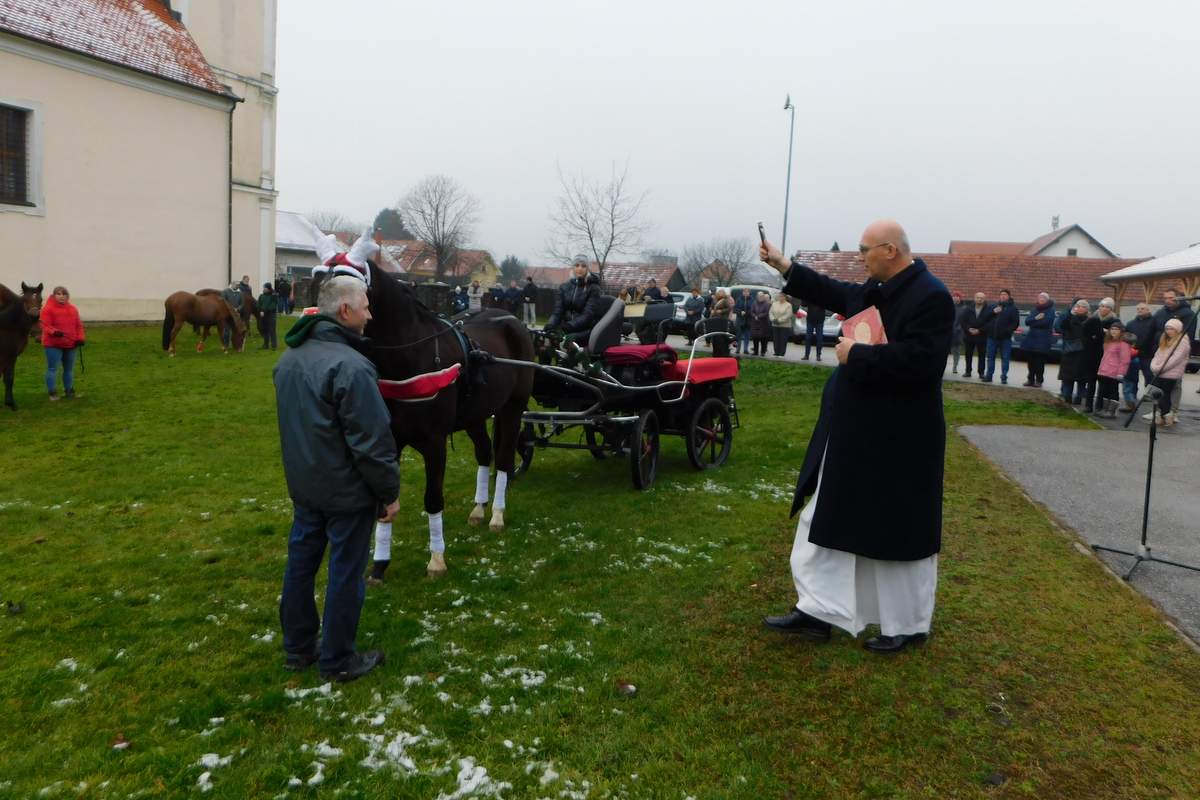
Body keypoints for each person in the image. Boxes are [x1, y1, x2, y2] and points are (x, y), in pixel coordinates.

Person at [759, 219, 953, 653]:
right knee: (824, 518)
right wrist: (784, 266)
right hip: (853, 431)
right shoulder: (877, 288)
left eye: (864, 249)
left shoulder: (931, 296)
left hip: (900, 439)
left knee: (897, 534)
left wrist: (858, 354)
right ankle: (817, 610)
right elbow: (831, 291)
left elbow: (922, 363)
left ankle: (908, 624)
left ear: (889, 250)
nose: (859, 256)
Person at [273, 275, 399, 683]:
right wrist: (388, 494)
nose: (370, 313)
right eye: (365, 305)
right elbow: (372, 442)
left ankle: (298, 648)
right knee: (346, 572)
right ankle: (338, 659)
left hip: (306, 486)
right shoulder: (352, 366)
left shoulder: (289, 359)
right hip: (347, 494)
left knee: (301, 564)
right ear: (344, 311)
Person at [39, 286, 85, 401]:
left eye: (64, 294)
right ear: (54, 296)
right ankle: (52, 393)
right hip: (53, 344)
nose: (62, 296)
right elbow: (44, 325)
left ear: (67, 296)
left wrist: (80, 338)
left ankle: (69, 391)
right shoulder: (47, 309)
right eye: (58, 294)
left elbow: (78, 326)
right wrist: (54, 332)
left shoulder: (73, 309)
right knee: (53, 368)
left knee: (69, 369)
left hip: (70, 343)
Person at [545, 255, 604, 343]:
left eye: (583, 266)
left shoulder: (594, 289)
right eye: (577, 265)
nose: (580, 268)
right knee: (546, 342)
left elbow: (588, 315)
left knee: (568, 344)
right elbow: (558, 311)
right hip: (566, 327)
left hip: (585, 330)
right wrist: (550, 324)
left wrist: (569, 326)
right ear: (573, 268)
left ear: (587, 269)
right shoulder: (564, 287)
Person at [1147, 318, 1189, 426]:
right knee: (1159, 395)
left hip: (1171, 374)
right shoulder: (1165, 340)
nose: (1168, 331)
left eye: (1171, 329)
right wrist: (1154, 366)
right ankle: (1162, 415)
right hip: (1160, 372)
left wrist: (1159, 368)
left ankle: (1166, 416)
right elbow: (1157, 355)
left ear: (1178, 330)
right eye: (1167, 328)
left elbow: (1175, 359)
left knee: (1165, 396)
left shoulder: (1182, 342)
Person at [1080, 298, 1118, 413]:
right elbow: (1084, 333)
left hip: (1105, 356)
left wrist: (1105, 334)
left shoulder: (1115, 321)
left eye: (1107, 307)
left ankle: (1099, 406)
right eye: (1102, 306)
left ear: (1111, 309)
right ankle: (1088, 405)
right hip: (1091, 355)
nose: (1104, 308)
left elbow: (1116, 337)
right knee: (1091, 381)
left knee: (1103, 383)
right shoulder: (1092, 319)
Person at [1122, 302, 1157, 411]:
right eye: (1138, 309)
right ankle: (1132, 399)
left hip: (1148, 354)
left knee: (1149, 376)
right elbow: (1125, 337)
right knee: (1132, 378)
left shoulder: (1154, 323)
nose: (1140, 310)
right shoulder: (1131, 324)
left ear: (1148, 310)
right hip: (1133, 354)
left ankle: (1149, 396)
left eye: (1143, 309)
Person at [1094, 319, 1132, 418]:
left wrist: (1121, 373)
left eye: (1116, 329)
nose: (1114, 331)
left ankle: (1111, 411)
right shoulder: (1108, 342)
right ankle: (1105, 409)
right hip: (1104, 371)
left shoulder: (1123, 344)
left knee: (1113, 391)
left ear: (1121, 331)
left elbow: (1125, 360)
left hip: (1114, 372)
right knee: (1104, 391)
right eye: (1112, 329)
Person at [1055, 298, 1090, 404]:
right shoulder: (1069, 318)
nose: (1079, 308)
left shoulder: (1090, 320)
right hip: (1069, 352)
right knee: (1067, 378)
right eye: (1078, 306)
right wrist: (1070, 315)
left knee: (1082, 379)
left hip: (1084, 354)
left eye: (1082, 306)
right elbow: (1060, 327)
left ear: (1087, 309)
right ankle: (1067, 397)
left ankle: (1079, 397)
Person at [982, 289, 1018, 384]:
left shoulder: (1013, 308)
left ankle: (1004, 377)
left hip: (1005, 338)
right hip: (992, 337)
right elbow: (985, 318)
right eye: (1001, 294)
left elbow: (1015, 323)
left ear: (1009, 296)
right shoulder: (993, 306)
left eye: (1005, 295)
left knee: (1005, 358)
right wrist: (993, 312)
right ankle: (989, 376)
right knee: (990, 357)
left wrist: (1007, 331)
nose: (1002, 296)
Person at [1021, 292, 1055, 387]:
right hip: (1031, 339)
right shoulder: (1035, 309)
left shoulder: (1050, 310)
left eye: (1043, 298)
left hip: (1043, 339)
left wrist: (1034, 322)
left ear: (1047, 299)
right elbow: (1027, 321)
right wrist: (1036, 318)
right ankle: (1030, 379)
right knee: (1030, 362)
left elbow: (1045, 323)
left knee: (1039, 362)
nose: (1041, 299)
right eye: (1040, 297)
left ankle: (1039, 380)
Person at [959, 292, 988, 378]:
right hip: (969, 336)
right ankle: (968, 371)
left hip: (982, 336)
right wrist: (968, 329)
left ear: (984, 299)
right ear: (974, 298)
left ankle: (981, 373)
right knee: (968, 354)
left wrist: (980, 330)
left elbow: (990, 322)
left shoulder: (988, 309)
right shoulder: (968, 308)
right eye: (978, 297)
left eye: (981, 298)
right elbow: (963, 321)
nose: (979, 299)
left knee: (982, 355)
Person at [769, 292, 793, 357]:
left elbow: (788, 315)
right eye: (780, 296)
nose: (780, 298)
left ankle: (782, 353)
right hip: (775, 324)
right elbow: (770, 312)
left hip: (785, 325)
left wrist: (779, 320)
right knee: (776, 339)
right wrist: (773, 319)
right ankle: (776, 352)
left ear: (785, 297)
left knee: (783, 339)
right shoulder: (774, 304)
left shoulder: (788, 305)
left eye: (782, 296)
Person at [221, 282, 243, 349]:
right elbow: (223, 301)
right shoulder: (225, 291)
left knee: (236, 331)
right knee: (226, 330)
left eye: (238, 285)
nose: (237, 286)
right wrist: (230, 308)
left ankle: (236, 345)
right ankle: (226, 345)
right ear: (232, 284)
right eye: (236, 285)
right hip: (227, 314)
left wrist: (238, 309)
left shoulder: (240, 293)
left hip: (236, 315)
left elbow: (242, 304)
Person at [749, 291, 772, 356]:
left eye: (762, 296)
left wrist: (758, 316)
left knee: (763, 339)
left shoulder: (767, 304)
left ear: (764, 297)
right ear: (757, 297)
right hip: (755, 324)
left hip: (763, 323)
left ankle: (763, 352)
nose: (760, 297)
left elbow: (766, 312)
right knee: (755, 338)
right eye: (759, 296)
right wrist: (754, 316)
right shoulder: (754, 303)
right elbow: (751, 311)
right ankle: (755, 352)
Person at [257, 282, 279, 350]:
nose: (264, 289)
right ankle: (265, 345)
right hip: (263, 315)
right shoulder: (261, 296)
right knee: (265, 330)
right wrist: (260, 310)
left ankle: (274, 345)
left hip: (271, 315)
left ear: (269, 288)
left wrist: (264, 311)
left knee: (272, 330)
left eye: (265, 288)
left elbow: (273, 305)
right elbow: (259, 304)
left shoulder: (273, 295)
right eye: (264, 288)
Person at [733, 288, 754, 354]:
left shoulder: (752, 300)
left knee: (747, 336)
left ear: (749, 293)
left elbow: (753, 309)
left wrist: (747, 312)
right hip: (740, 320)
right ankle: (737, 349)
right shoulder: (739, 299)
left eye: (747, 292)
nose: (745, 293)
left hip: (748, 320)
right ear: (742, 292)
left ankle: (745, 349)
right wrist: (740, 312)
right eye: (744, 292)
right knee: (738, 336)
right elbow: (735, 308)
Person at [948, 291, 964, 373]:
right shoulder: (947, 307)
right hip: (947, 333)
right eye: (954, 296)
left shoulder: (963, 309)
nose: (955, 297)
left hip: (958, 334)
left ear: (960, 298)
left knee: (956, 352)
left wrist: (959, 329)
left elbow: (964, 322)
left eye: (957, 296)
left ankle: (955, 367)